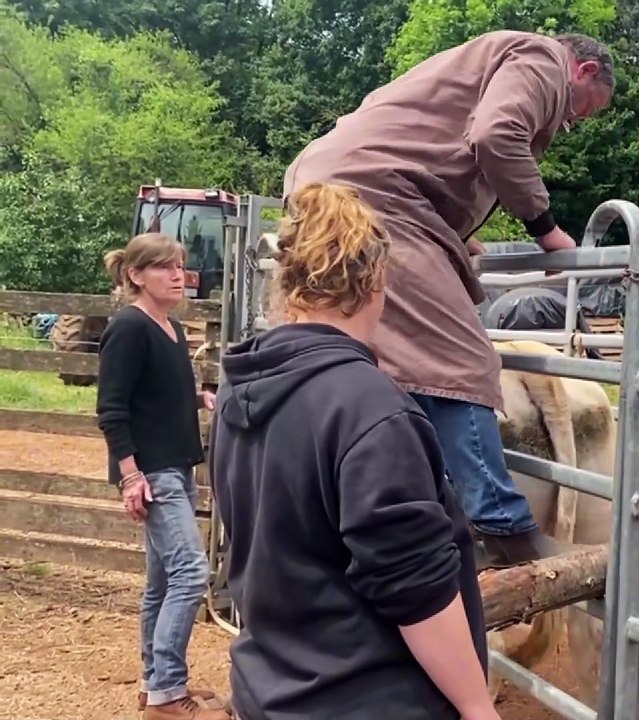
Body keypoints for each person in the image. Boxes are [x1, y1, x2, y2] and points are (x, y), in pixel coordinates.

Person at [281, 30, 616, 566]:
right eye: (582, 110)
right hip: (377, 196)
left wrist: (453, 232)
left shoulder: (478, 59)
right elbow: (496, 134)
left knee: (368, 354)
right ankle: (501, 524)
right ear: (586, 70)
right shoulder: (543, 59)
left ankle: (405, 505)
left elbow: (433, 147)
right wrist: (547, 230)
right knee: (457, 359)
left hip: (333, 183)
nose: (571, 121)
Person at [208, 182, 497, 720]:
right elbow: (414, 587)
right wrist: (477, 705)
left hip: (269, 688)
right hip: (368, 699)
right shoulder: (371, 408)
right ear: (376, 281)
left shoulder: (239, 389)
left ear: (288, 283)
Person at [94, 233, 228, 720]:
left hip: (176, 466)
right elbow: (112, 409)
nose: (178, 275)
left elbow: (153, 391)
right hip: (152, 472)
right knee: (190, 574)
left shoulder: (168, 327)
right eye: (164, 267)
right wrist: (130, 476)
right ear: (135, 275)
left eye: (180, 265)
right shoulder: (129, 328)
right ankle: (168, 696)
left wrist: (198, 398)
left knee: (162, 582)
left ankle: (156, 684)